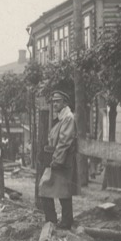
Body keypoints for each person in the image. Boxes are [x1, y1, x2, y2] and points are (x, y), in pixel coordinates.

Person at [38, 90, 77, 229]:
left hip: (62, 160)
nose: (55, 104)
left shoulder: (68, 118)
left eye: (58, 101)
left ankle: (60, 222)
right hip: (58, 159)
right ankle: (55, 221)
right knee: (57, 190)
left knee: (58, 190)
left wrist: (57, 161)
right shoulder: (61, 117)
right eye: (53, 101)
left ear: (65, 103)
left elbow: (64, 141)